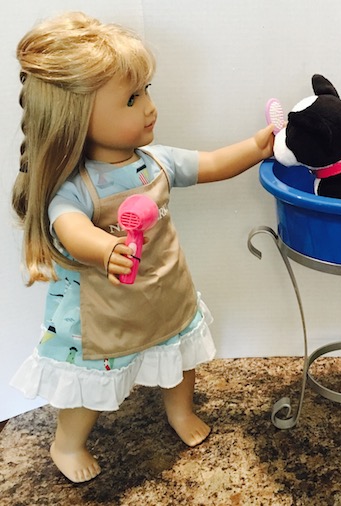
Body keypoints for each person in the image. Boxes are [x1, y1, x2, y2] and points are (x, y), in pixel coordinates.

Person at [10, 12, 274, 483]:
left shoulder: (156, 161)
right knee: (89, 387)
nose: (150, 107)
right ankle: (67, 443)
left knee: (180, 358)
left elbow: (212, 163)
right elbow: (68, 226)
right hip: (103, 314)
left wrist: (256, 148)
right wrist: (102, 248)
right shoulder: (75, 186)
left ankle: (180, 411)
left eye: (146, 91)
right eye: (132, 99)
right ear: (76, 117)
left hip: (164, 292)